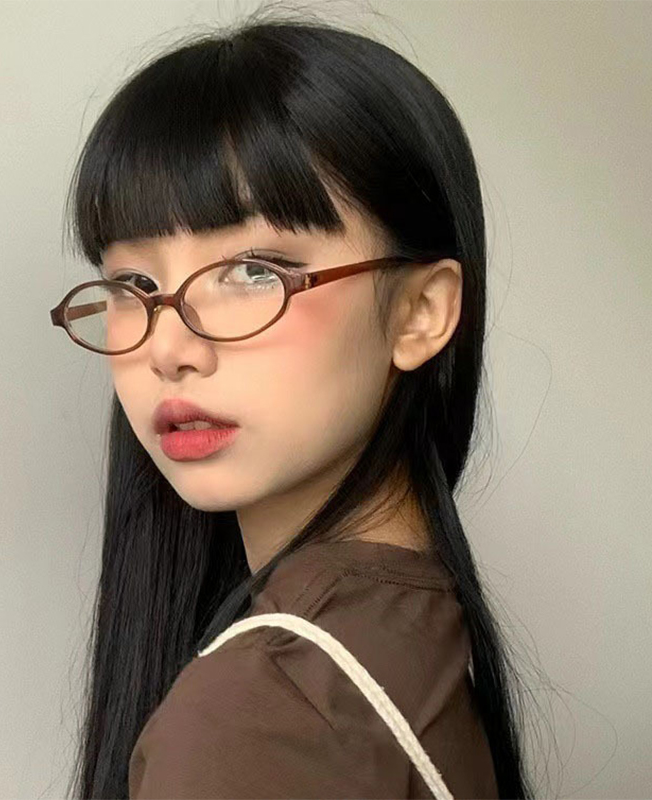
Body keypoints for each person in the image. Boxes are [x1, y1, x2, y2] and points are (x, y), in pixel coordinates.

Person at [55, 8, 534, 799]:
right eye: (132, 283)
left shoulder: (262, 714)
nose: (169, 345)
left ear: (420, 312)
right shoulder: (410, 635)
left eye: (253, 270)